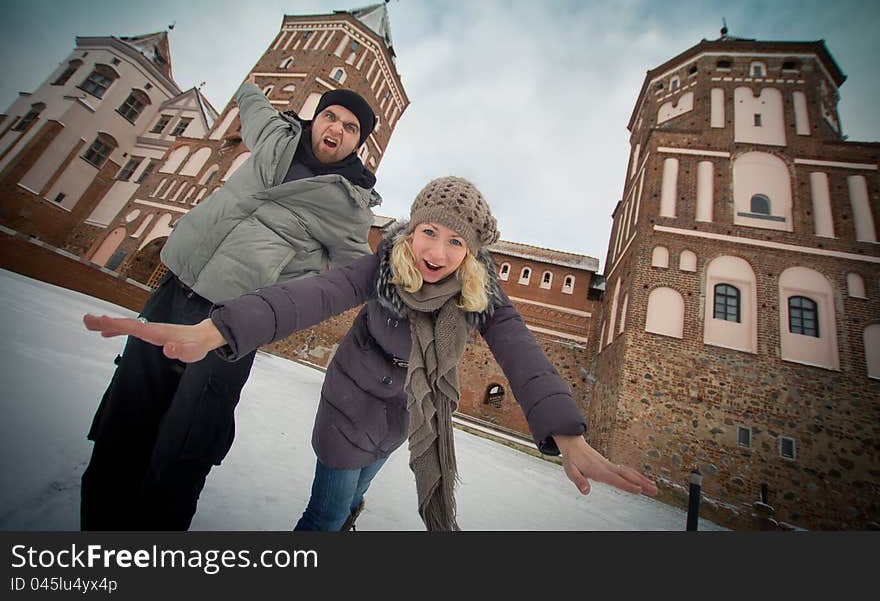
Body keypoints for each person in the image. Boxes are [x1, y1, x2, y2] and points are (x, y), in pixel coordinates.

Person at [84, 176, 658, 531]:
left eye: (456, 241)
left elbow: (523, 355)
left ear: (474, 252)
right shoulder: (381, 264)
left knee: (355, 498)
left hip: (408, 416)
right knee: (328, 512)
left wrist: (567, 433)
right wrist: (217, 330)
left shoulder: (482, 292)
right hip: (349, 407)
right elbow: (308, 296)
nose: (437, 250)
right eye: (430, 232)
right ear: (411, 228)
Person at [80, 80, 382, 530]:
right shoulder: (276, 137)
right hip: (173, 289)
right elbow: (254, 101)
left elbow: (358, 274)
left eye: (350, 127)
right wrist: (246, 86)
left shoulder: (348, 204)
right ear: (316, 118)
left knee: (187, 439)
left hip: (230, 326)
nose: (335, 129)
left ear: (358, 143)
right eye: (330, 116)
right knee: (127, 413)